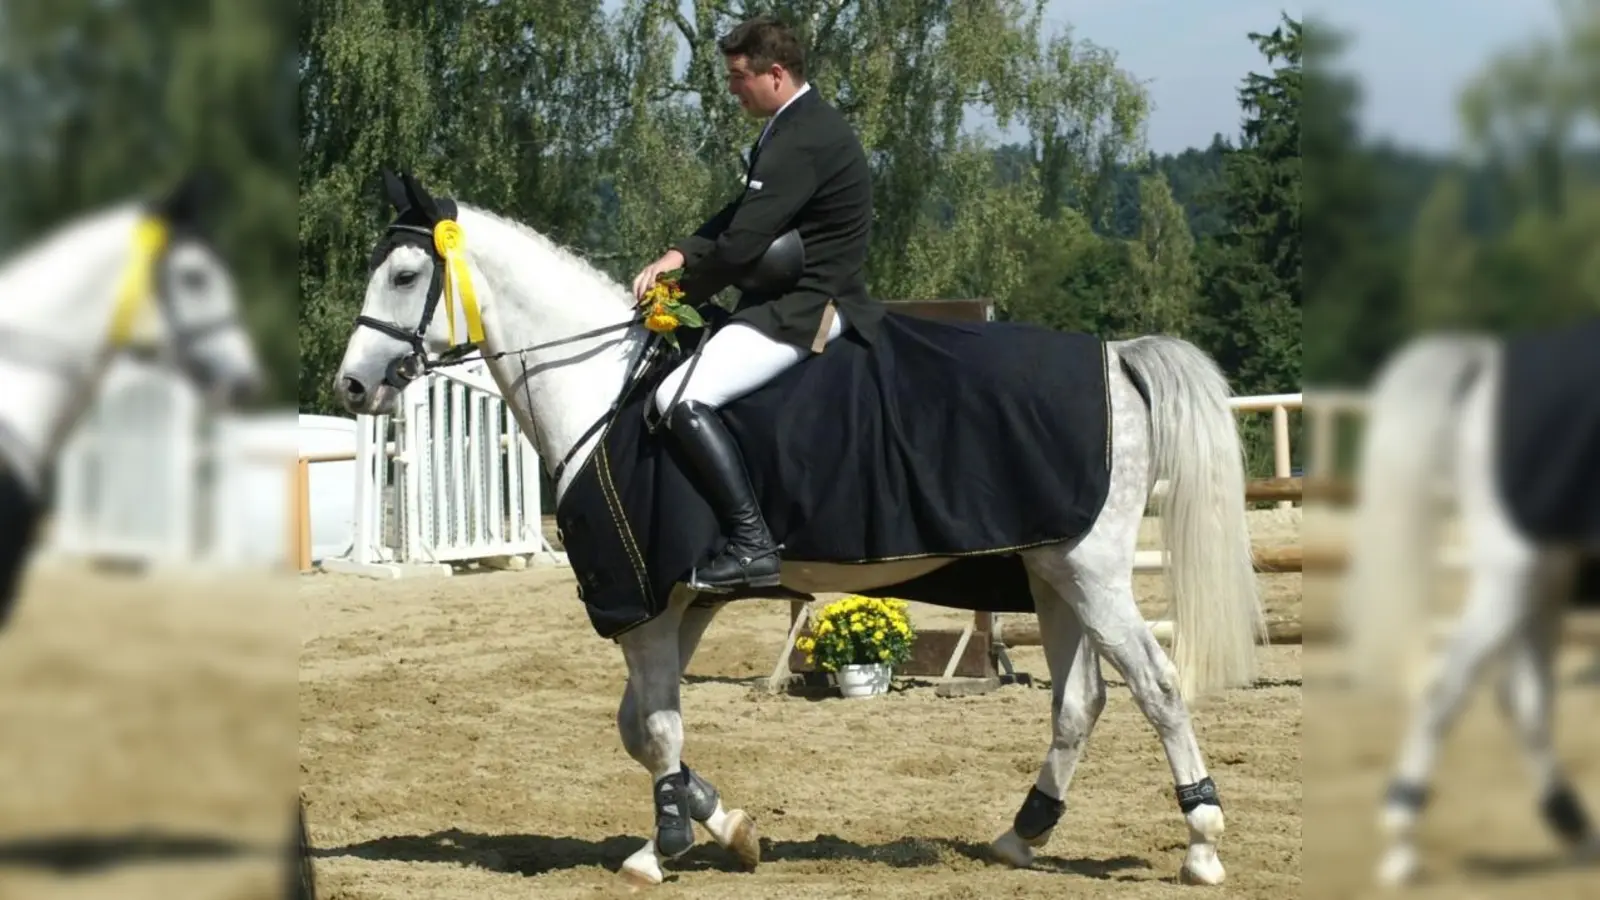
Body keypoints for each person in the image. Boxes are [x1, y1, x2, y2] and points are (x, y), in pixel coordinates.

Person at [630, 15, 884, 593]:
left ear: (775, 73)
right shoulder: (790, 124)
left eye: (738, 77)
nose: (732, 89)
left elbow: (742, 245)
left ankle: (752, 545)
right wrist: (678, 252)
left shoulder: (803, 136)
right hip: (783, 296)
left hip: (807, 305)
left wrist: (673, 298)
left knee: (677, 397)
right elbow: (739, 213)